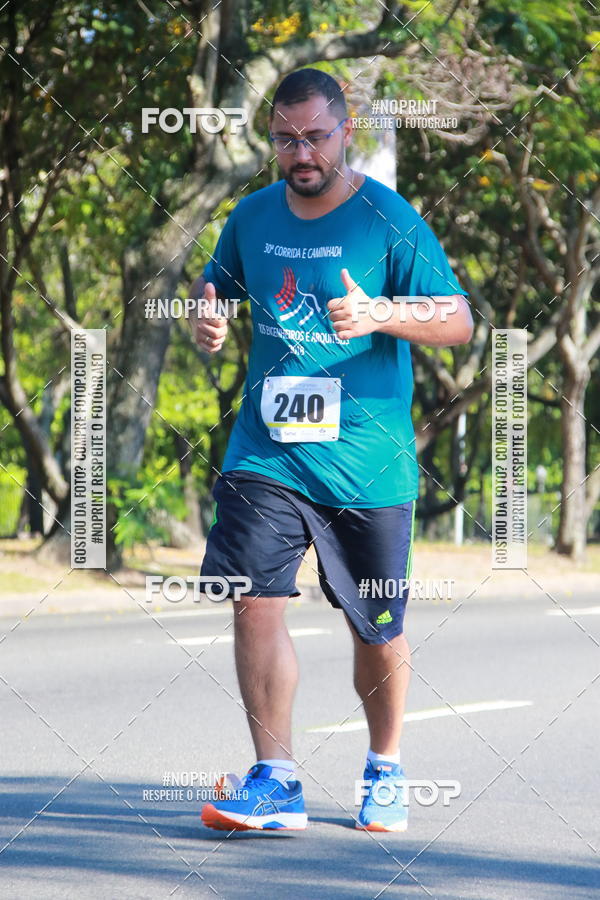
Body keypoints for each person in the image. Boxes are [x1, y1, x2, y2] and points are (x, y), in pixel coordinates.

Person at [190, 68, 472, 833]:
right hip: (268, 453)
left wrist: (381, 310)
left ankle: (384, 767)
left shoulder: (389, 217)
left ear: (347, 131)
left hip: (367, 460)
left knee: (375, 623)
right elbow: (212, 297)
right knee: (253, 599)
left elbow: (456, 318)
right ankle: (275, 780)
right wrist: (205, 327)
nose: (301, 151)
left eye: (315, 135)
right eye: (285, 138)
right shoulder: (248, 218)